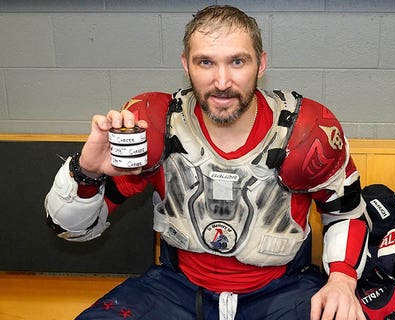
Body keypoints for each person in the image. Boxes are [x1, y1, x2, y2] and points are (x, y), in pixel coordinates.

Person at [44, 5, 368, 320]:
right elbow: (70, 230)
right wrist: (85, 173)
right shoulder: (154, 124)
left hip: (282, 290)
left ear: (261, 64)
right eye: (206, 62)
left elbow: (346, 214)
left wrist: (341, 280)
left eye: (237, 61)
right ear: (186, 65)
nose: (222, 81)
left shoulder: (306, 131)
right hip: (176, 289)